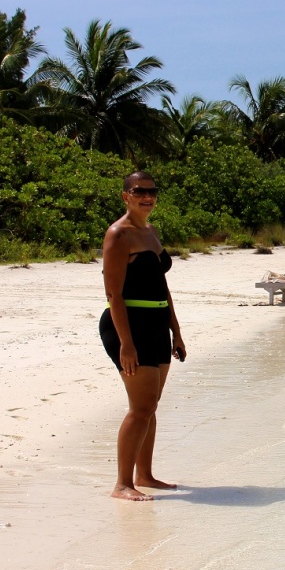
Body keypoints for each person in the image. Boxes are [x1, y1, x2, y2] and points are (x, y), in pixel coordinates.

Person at [98, 171, 185, 501]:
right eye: (139, 192)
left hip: (157, 321)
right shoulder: (118, 234)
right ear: (126, 196)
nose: (147, 196)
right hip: (128, 324)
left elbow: (162, 285)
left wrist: (176, 331)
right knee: (140, 407)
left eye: (152, 191)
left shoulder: (150, 231)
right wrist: (127, 344)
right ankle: (122, 484)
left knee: (151, 405)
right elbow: (113, 295)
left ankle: (144, 474)